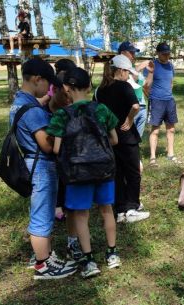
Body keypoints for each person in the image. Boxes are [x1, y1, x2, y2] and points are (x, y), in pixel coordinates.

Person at [48, 67, 121, 278]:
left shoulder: (62, 115)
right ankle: (112, 253)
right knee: (106, 209)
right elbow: (115, 140)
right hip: (104, 169)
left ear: (66, 89)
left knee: (81, 215)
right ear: (89, 86)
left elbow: (56, 149)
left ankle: (89, 261)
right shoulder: (102, 110)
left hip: (77, 172)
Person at [9, 58, 77, 280]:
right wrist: (59, 132)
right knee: (41, 216)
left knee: (44, 212)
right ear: (37, 79)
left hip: (32, 163)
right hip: (41, 167)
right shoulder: (32, 110)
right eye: (47, 84)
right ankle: (42, 265)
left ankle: (45, 255)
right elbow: (47, 145)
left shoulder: (19, 101)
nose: (48, 89)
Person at [95, 55, 147, 223]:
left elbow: (96, 111)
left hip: (109, 138)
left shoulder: (100, 90)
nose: (129, 75)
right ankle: (132, 208)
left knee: (117, 173)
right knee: (133, 172)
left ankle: (120, 210)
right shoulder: (124, 86)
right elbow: (135, 106)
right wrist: (130, 119)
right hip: (127, 137)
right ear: (121, 70)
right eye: (127, 72)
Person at [46, 58, 85, 262]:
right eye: (65, 92)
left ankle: (72, 241)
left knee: (71, 207)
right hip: (55, 166)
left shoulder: (74, 108)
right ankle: (46, 249)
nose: (69, 97)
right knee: (51, 206)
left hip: (72, 164)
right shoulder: (48, 110)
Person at [145, 42, 180, 166]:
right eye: (164, 53)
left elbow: (170, 82)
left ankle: (170, 154)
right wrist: (151, 97)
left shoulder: (170, 65)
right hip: (156, 101)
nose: (167, 55)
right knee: (155, 130)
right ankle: (153, 158)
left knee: (171, 129)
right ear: (158, 53)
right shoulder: (152, 65)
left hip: (169, 101)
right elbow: (146, 85)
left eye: (168, 53)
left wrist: (169, 94)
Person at [117, 41, 151, 140]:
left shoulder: (133, 69)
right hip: (130, 108)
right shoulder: (118, 69)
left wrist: (151, 72)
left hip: (141, 106)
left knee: (137, 139)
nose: (133, 55)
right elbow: (127, 81)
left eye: (134, 53)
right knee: (127, 138)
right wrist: (139, 67)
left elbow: (145, 85)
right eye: (131, 52)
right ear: (123, 53)